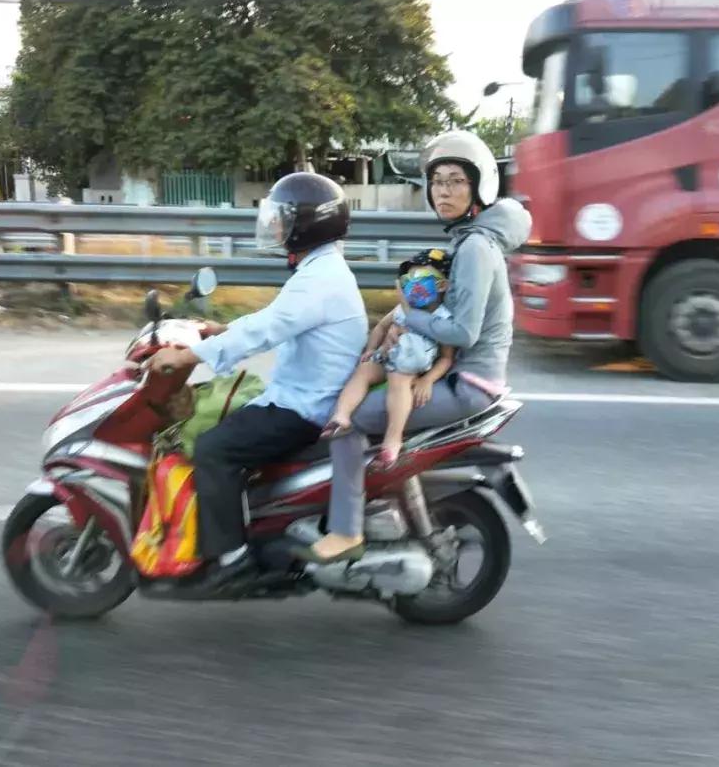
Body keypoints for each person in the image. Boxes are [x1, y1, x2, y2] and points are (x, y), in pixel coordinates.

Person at [293, 131, 531, 564]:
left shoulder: (477, 247)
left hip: (468, 383)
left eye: (456, 180)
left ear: (480, 186)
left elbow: (462, 332)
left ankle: (346, 529)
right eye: (438, 181)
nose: (444, 190)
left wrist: (407, 313)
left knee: (348, 421)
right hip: (458, 372)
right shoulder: (471, 238)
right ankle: (376, 499)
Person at [148, 172, 367, 590]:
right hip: (301, 395)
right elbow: (270, 320)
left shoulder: (321, 280)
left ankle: (233, 559)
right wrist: (219, 330)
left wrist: (189, 355)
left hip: (304, 408)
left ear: (307, 224)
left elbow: (267, 329)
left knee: (213, 447)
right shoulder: (320, 271)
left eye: (283, 218)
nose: (276, 227)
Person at [322, 248, 456, 468]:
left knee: (399, 380)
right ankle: (341, 417)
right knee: (364, 371)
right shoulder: (401, 309)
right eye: (407, 280)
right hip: (389, 356)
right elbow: (381, 327)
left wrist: (427, 380)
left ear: (442, 285)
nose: (412, 285)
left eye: (420, 279)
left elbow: (446, 358)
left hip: (412, 367)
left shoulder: (442, 318)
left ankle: (392, 441)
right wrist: (371, 349)